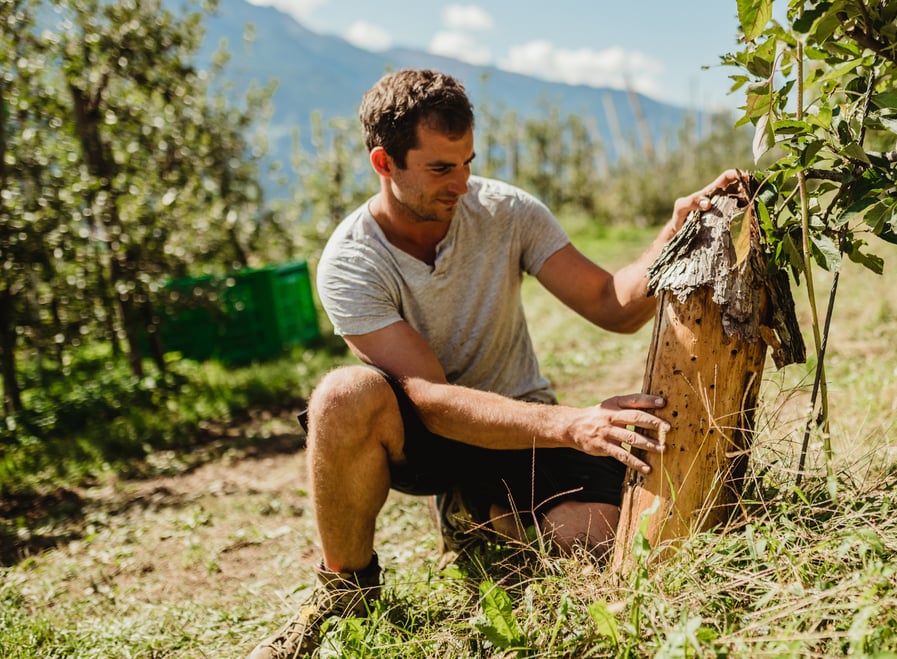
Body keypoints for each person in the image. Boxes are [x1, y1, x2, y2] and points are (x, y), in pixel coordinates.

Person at [247, 68, 738, 659]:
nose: (462, 182)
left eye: (467, 162)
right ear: (385, 163)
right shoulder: (351, 262)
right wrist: (570, 423)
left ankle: (482, 515)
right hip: (430, 436)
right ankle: (345, 591)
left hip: (520, 428)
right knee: (342, 394)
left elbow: (612, 304)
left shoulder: (507, 212)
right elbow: (427, 396)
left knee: (606, 537)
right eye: (440, 168)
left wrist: (673, 235)